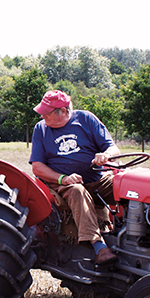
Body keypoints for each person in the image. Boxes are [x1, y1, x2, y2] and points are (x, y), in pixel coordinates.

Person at [29, 90, 120, 266]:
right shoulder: (41, 129)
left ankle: (133, 236)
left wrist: (105, 155)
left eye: (46, 113)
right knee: (78, 191)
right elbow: (37, 167)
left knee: (125, 186)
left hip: (97, 179)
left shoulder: (86, 119)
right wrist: (63, 178)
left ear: (63, 111)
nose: (42, 116)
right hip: (62, 183)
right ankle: (98, 246)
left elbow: (113, 149)